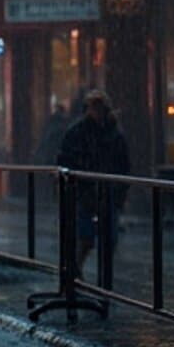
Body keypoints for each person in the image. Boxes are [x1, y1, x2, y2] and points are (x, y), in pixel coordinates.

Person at [58, 89, 132, 273]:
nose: (97, 111)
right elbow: (66, 158)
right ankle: (76, 270)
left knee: (108, 238)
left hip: (106, 191)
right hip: (86, 192)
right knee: (87, 237)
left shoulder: (113, 133)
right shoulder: (79, 132)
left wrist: (120, 191)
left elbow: (123, 163)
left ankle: (100, 277)